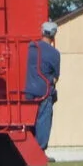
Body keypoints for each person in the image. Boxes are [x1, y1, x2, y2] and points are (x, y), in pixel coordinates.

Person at [25, 20, 61, 150]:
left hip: (28, 92)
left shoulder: (30, 48)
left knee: (30, 120)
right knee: (44, 119)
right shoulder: (54, 54)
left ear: (42, 32)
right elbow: (55, 78)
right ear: (53, 35)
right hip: (44, 93)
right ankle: (40, 148)